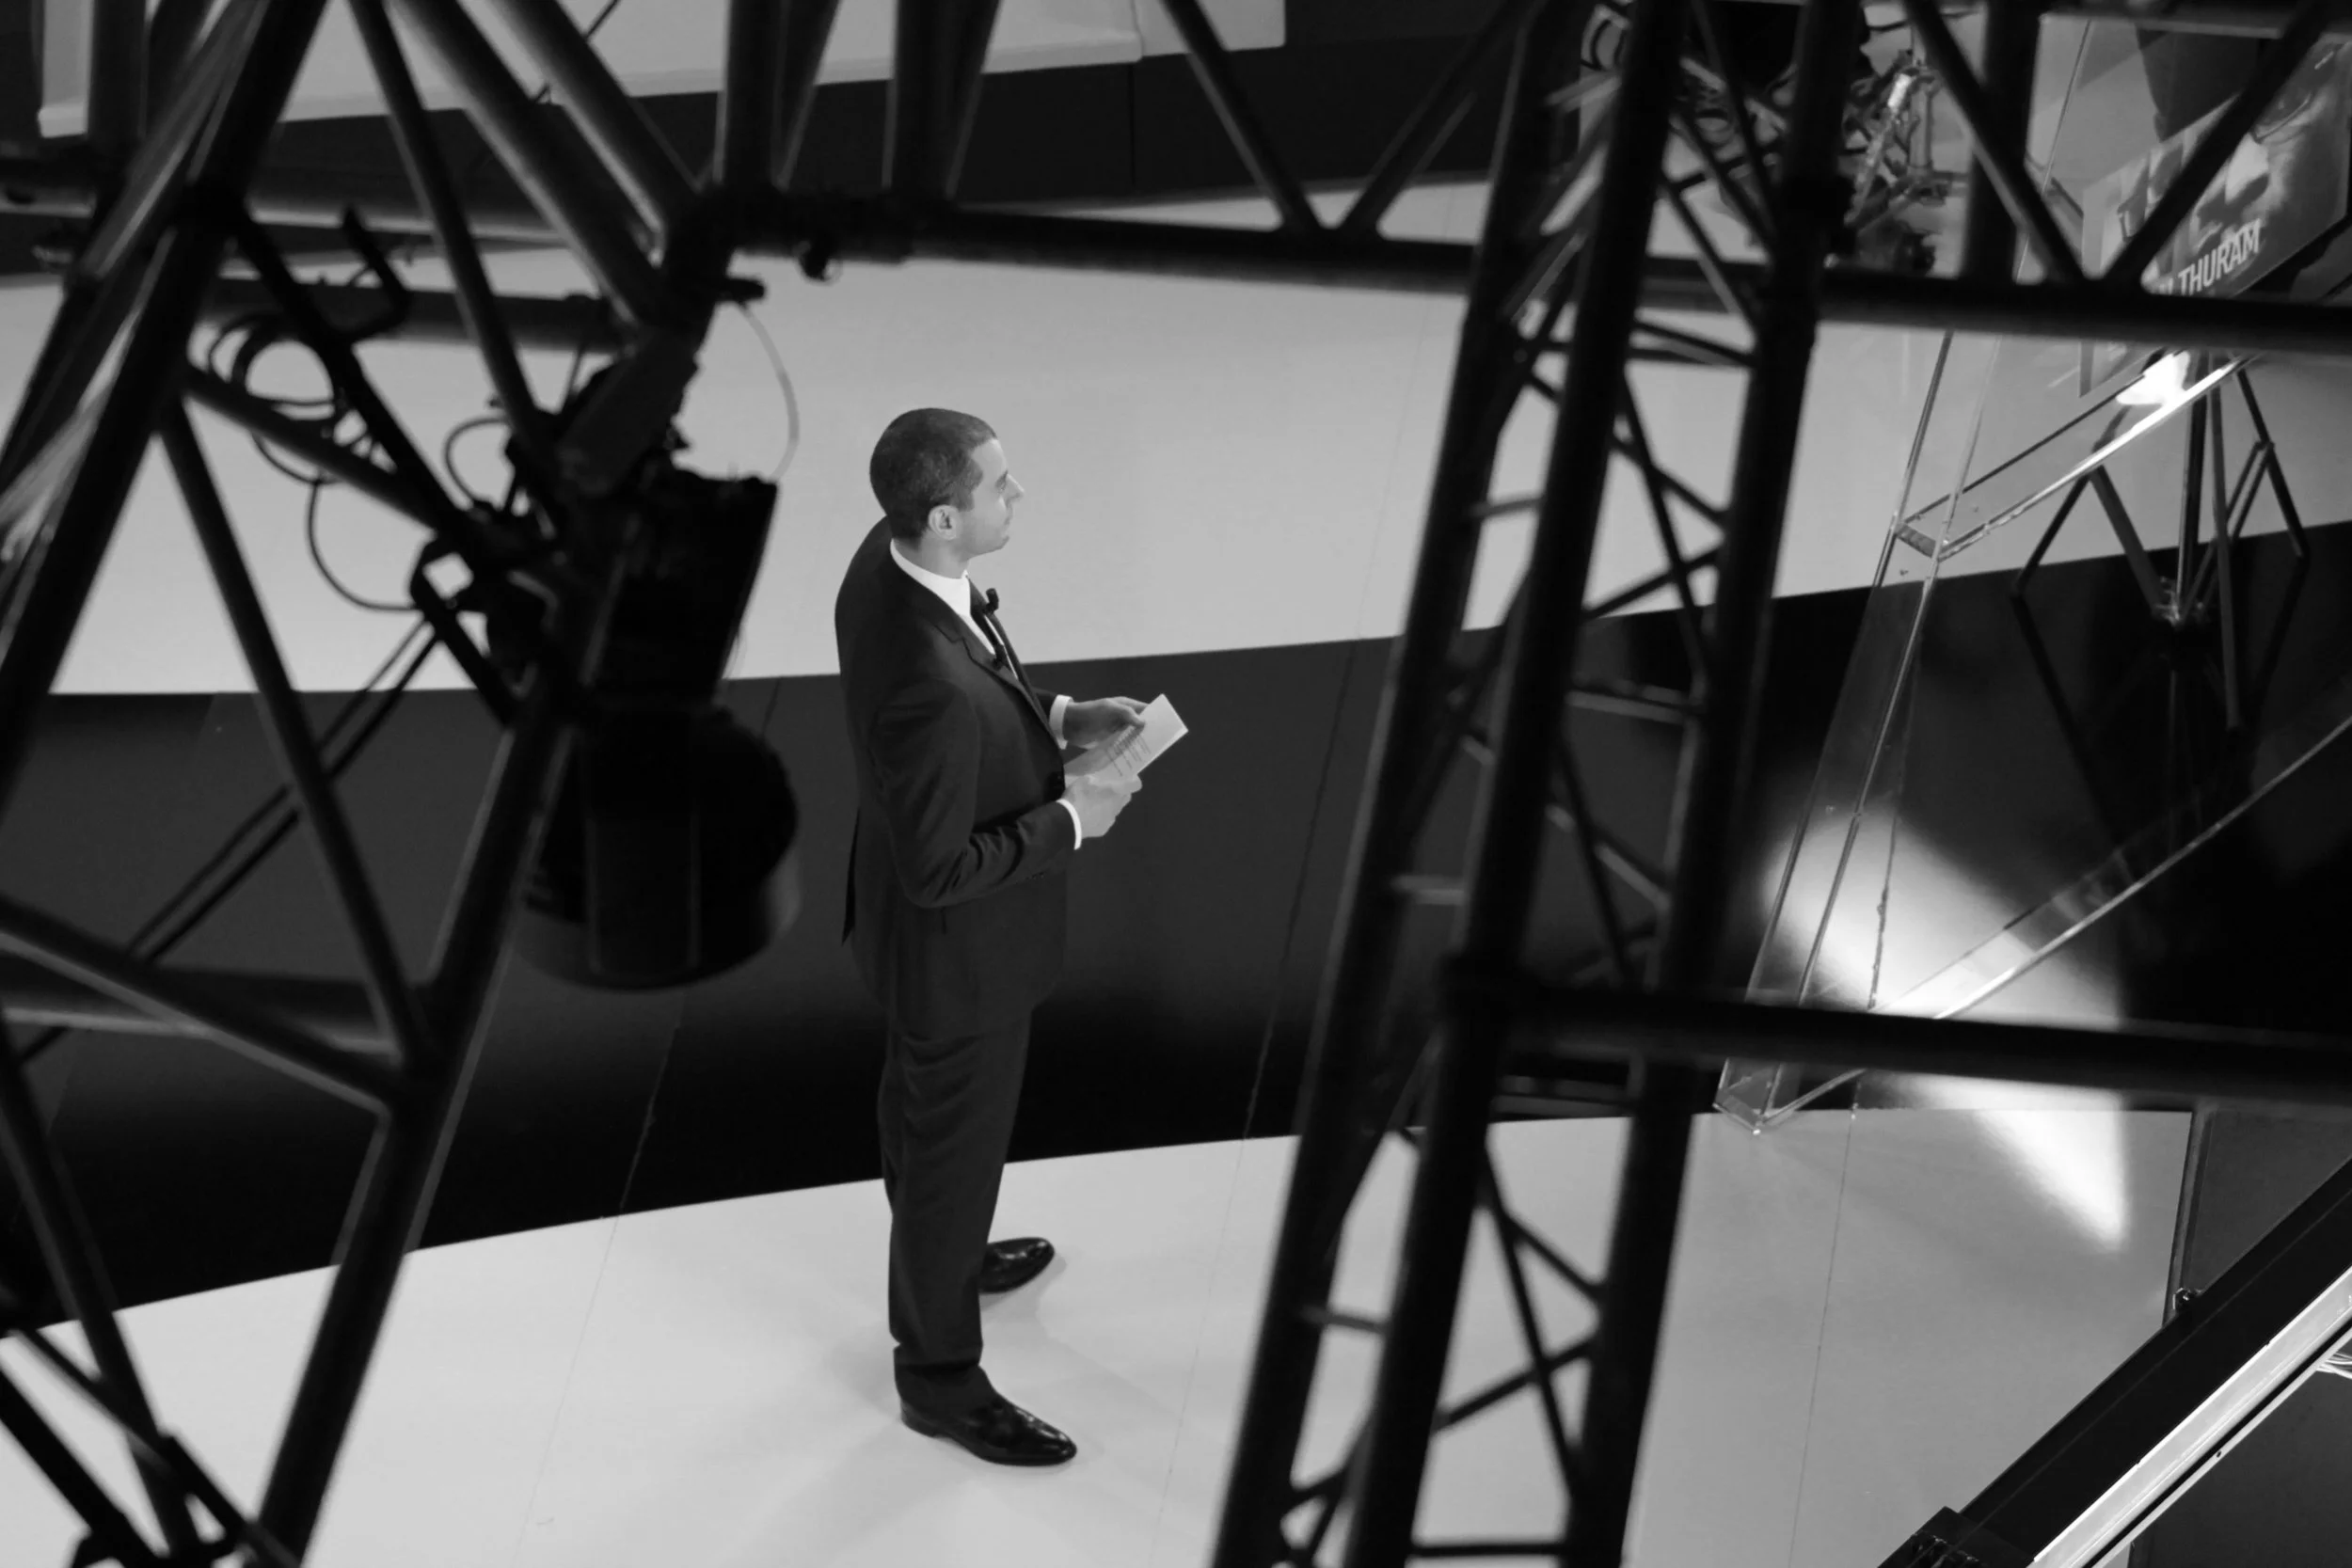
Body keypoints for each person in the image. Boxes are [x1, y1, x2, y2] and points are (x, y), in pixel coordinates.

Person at [833, 407, 1145, 1466]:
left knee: (921, 1130)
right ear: (942, 515)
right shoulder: (924, 684)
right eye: (1000, 486)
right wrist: (1072, 818)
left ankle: (945, 1250)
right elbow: (939, 869)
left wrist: (1053, 717)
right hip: (958, 962)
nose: (1019, 498)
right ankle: (938, 1375)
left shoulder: (886, 567)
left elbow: (970, 696)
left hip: (920, 951)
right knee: (947, 1155)